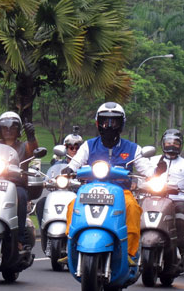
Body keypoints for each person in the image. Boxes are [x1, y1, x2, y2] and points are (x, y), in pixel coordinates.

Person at [62, 102, 153, 264]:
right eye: (105, 121)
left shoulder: (133, 149)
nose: (109, 126)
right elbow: (75, 163)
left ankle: (130, 254)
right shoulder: (88, 146)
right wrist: (68, 170)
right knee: (72, 206)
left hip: (121, 192)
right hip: (91, 191)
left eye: (114, 122)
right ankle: (71, 248)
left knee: (132, 208)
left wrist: (154, 174)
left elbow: (147, 169)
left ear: (121, 124)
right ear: (98, 123)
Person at [149, 129, 184, 268]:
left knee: (180, 224)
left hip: (177, 200)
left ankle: (180, 253)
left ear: (181, 145)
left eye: (176, 143)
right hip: (153, 199)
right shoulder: (152, 161)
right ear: (163, 143)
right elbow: (142, 177)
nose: (172, 145)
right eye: (168, 142)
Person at [0, 111, 39, 252]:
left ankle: (19, 239)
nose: (8, 131)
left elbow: (33, 151)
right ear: (0, 130)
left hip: (16, 185)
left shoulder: (23, 147)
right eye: (5, 128)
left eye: (12, 127)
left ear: (18, 130)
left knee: (20, 195)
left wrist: (31, 137)